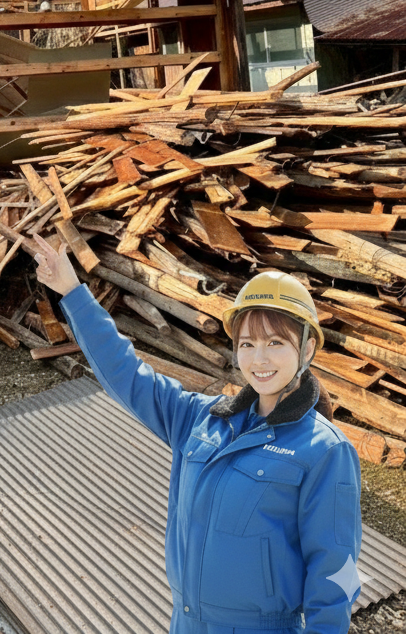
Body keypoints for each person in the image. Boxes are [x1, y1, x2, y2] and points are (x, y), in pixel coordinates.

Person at [34, 233, 362, 634]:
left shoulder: (324, 451)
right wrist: (71, 290)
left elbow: (335, 576)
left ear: (307, 349)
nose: (259, 359)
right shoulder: (199, 419)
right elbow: (125, 372)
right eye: (248, 343)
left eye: (276, 343)